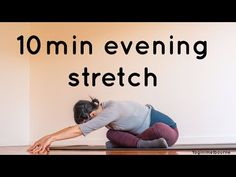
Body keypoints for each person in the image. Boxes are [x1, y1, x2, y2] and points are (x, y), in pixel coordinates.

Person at [27, 97, 179, 154]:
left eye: (87, 122)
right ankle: (143, 144)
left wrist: (50, 137)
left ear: (91, 115)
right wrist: (49, 137)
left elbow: (78, 131)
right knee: (111, 134)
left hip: (168, 132)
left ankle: (135, 144)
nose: (89, 125)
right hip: (145, 135)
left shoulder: (110, 111)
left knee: (159, 128)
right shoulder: (105, 107)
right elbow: (77, 128)